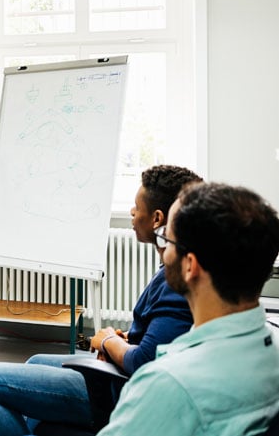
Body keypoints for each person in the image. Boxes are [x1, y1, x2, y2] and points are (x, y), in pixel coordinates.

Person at [0, 164, 201, 435]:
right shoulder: (170, 270)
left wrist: (109, 341)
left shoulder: (176, 282)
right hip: (120, 375)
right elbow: (160, 338)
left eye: (137, 207)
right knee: (35, 362)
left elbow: (145, 361)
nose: (132, 212)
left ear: (158, 218)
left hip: (121, 390)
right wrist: (124, 339)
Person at [99, 182, 279, 435]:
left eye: (166, 238)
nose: (163, 250)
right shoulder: (272, 347)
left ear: (190, 266)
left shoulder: (168, 384)